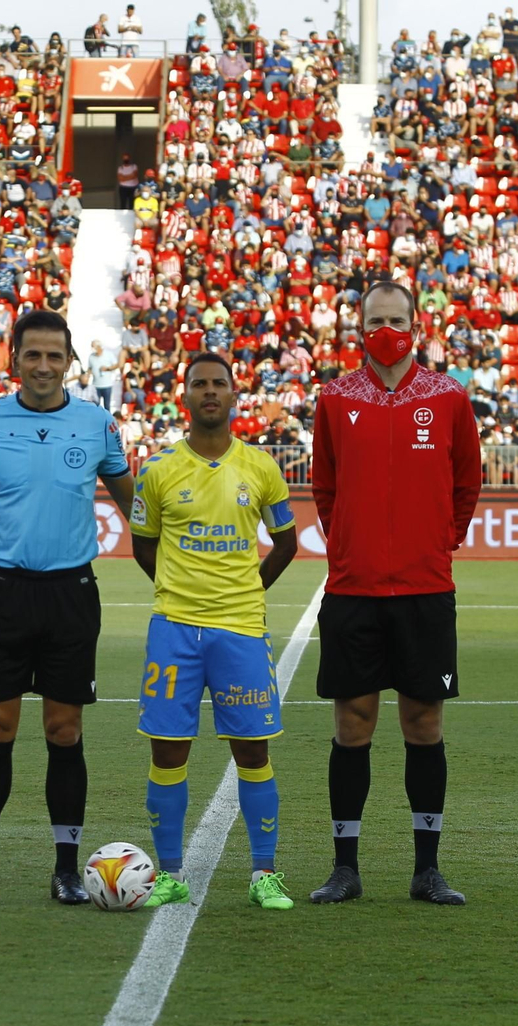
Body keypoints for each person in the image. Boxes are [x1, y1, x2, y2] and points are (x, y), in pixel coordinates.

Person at [0, 309, 135, 905]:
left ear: (69, 361)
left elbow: (136, 509)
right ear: (14, 358)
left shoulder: (97, 425)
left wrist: (170, 569)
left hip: (70, 594)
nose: (43, 366)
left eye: (54, 355)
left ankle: (67, 869)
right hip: (4, 593)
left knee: (63, 729)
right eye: (32, 355)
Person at [307, 281, 482, 906]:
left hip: (424, 587)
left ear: (417, 323)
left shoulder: (448, 397)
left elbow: (468, 482)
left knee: (423, 723)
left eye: (397, 318)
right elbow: (323, 485)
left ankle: (427, 868)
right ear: (359, 328)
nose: (388, 329)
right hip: (353, 588)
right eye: (376, 320)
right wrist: (348, 544)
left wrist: (439, 543)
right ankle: (345, 867)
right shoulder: (335, 397)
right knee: (352, 725)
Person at [130, 352, 301, 911]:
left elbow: (286, 543)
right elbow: (143, 544)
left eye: (218, 384)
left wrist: (247, 590)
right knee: (168, 751)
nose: (209, 391)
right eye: (199, 384)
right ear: (184, 397)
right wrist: (181, 589)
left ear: (233, 396)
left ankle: (264, 874)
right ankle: (171, 872)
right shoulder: (157, 470)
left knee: (252, 752)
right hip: (174, 630)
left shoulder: (260, 467)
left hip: (241, 630)